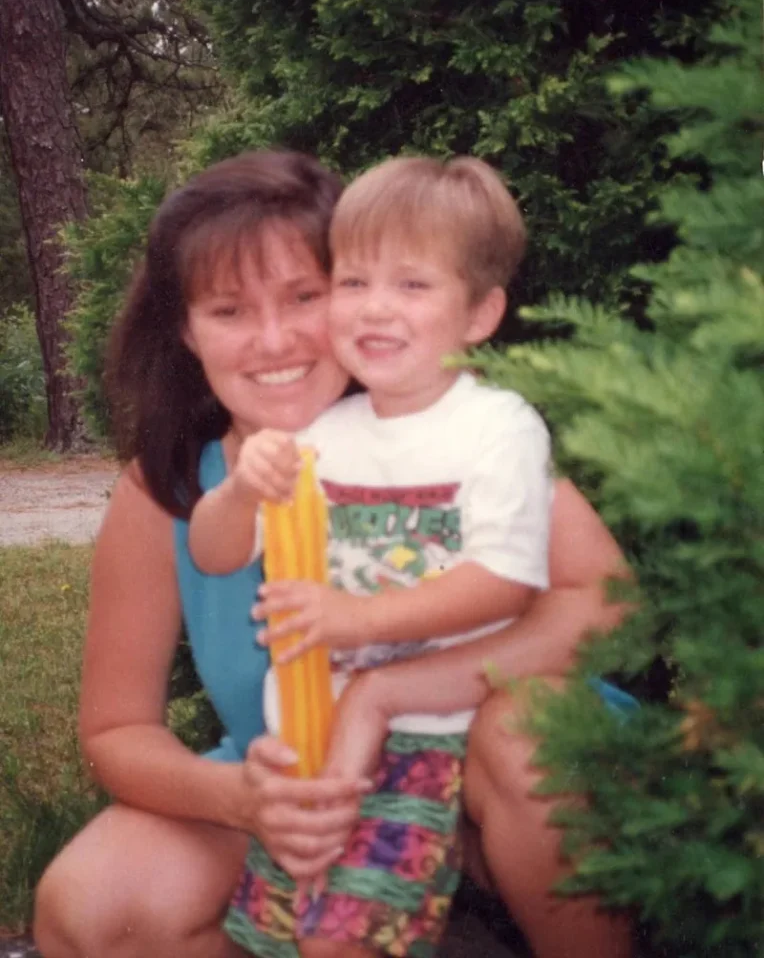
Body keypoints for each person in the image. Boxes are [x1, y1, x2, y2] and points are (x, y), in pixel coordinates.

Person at [33, 149, 632, 958]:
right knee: (95, 903)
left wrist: (397, 690)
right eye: (230, 310)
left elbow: (608, 600)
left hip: (503, 781)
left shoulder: (436, 431)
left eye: (305, 296)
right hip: (325, 782)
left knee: (524, 738)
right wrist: (243, 797)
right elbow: (116, 730)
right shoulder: (169, 489)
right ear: (185, 329)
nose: (272, 339)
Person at [188, 156, 554, 957]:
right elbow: (215, 554)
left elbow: (506, 582)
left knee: (346, 940)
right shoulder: (327, 436)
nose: (376, 308)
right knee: (274, 939)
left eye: (412, 286)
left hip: (425, 741)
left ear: (481, 314)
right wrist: (240, 495)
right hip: (309, 745)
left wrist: (359, 617)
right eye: (352, 283)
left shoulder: (498, 428)